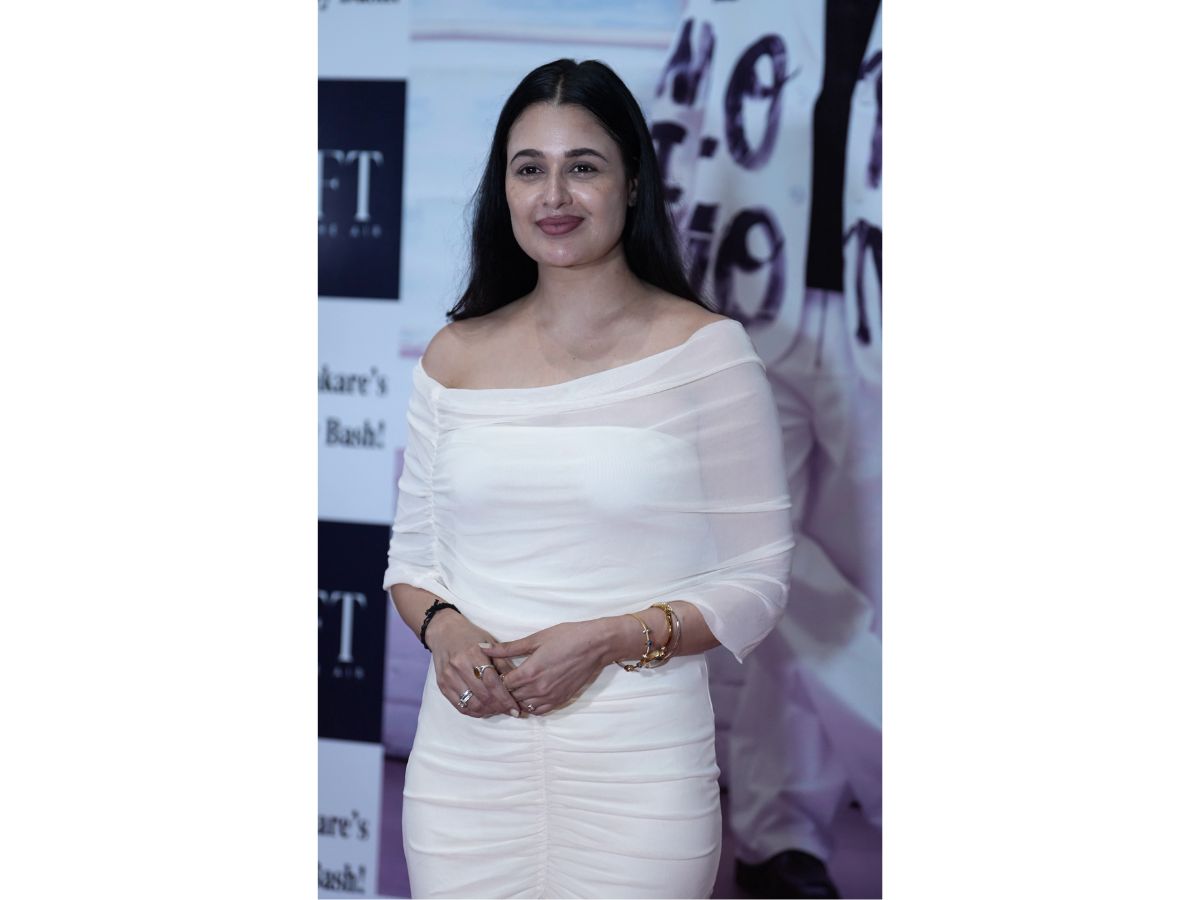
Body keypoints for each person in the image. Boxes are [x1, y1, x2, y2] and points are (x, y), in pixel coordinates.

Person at [383, 58, 795, 899]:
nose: (553, 196)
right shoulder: (452, 357)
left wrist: (608, 640)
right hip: (467, 763)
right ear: (502, 189)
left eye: (583, 167)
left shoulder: (707, 354)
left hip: (637, 767)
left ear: (633, 183)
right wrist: (445, 630)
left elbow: (758, 581)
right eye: (528, 169)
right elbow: (413, 560)